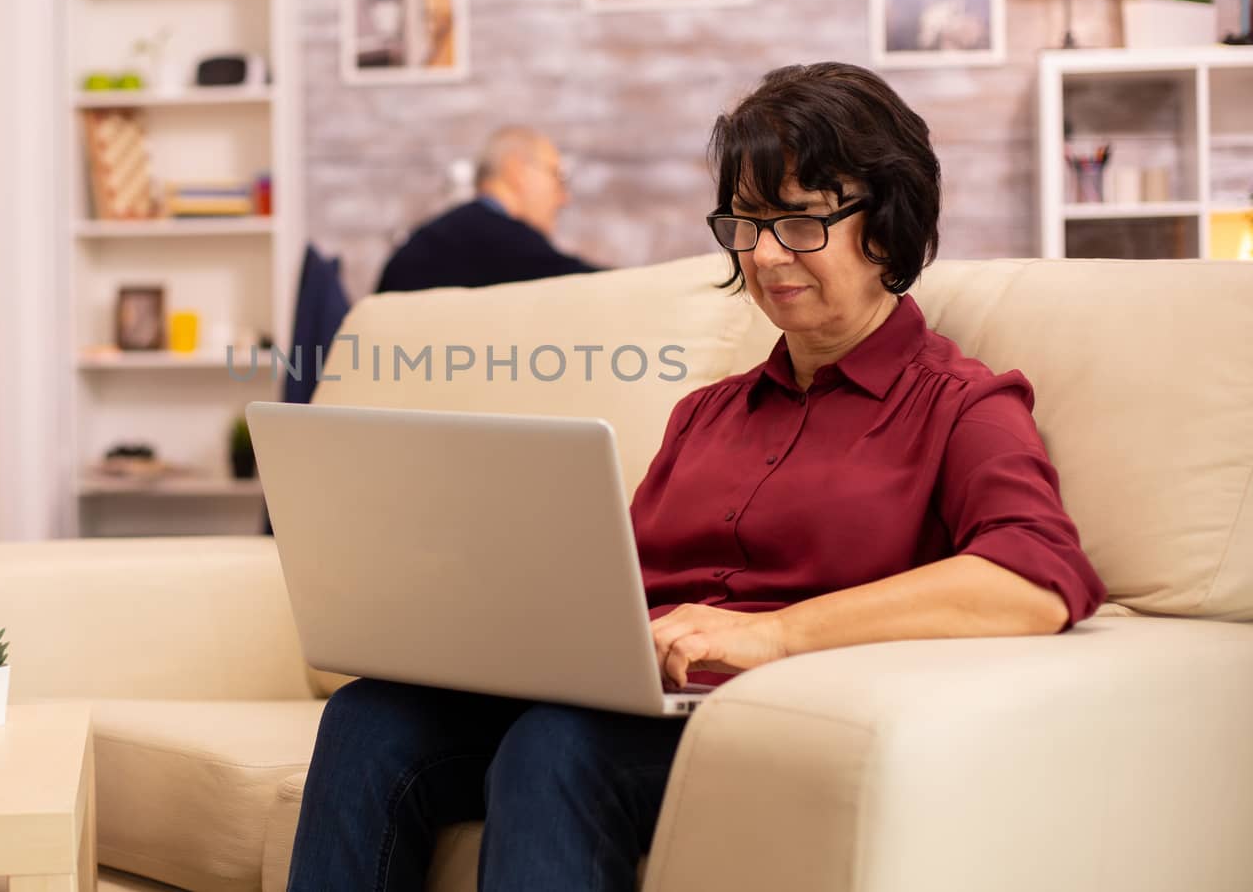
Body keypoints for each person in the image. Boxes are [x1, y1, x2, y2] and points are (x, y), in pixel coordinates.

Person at [286, 62, 1107, 892]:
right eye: (746, 223)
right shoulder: (707, 413)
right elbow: (620, 585)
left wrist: (773, 634)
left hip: (774, 713)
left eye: (800, 220)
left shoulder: (960, 403)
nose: (766, 254)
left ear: (888, 225)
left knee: (558, 743)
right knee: (370, 715)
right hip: (636, 698)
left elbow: (1035, 577)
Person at [375, 126, 601, 292]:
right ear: (517, 171)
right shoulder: (495, 236)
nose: (564, 198)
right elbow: (588, 284)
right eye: (557, 176)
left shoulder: (459, 230)